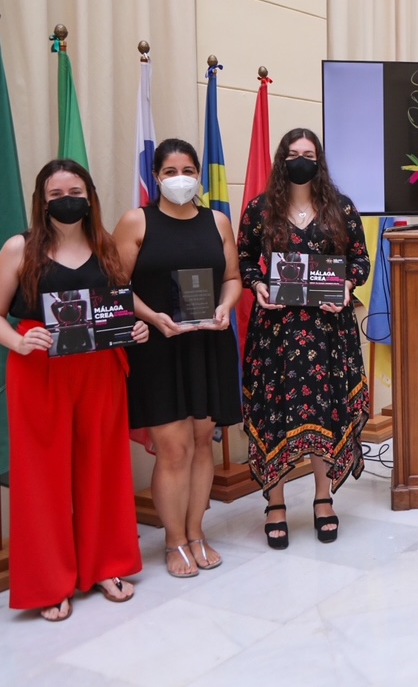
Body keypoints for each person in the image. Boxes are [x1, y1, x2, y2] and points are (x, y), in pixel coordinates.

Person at [0, 159, 146, 621]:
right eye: (55, 194)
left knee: (104, 468)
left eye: (75, 190)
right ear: (42, 201)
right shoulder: (20, 248)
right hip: (39, 372)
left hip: (100, 370)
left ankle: (106, 565)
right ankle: (49, 582)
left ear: (90, 195)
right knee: (43, 478)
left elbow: (119, 309)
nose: (66, 199)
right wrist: (18, 340)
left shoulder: (106, 246)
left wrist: (133, 331)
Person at [238, 128, 371, 548]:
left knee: (326, 410)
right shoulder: (260, 209)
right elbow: (244, 259)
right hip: (275, 334)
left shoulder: (340, 208)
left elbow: (360, 261)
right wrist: (257, 285)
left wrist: (348, 286)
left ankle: (323, 497)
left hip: (327, 333)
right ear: (281, 159)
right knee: (273, 413)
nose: (301, 160)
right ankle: (275, 503)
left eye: (308, 153)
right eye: (293, 153)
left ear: (320, 160)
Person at [115, 138, 242, 578]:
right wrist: (152, 317)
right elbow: (115, 286)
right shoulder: (137, 221)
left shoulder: (218, 221)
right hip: (158, 346)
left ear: (199, 176)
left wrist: (226, 306)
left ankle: (196, 532)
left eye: (188, 170)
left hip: (208, 342)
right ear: (156, 177)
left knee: (203, 440)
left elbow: (232, 277)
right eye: (170, 172)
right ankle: (173, 541)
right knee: (173, 448)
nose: (180, 179)